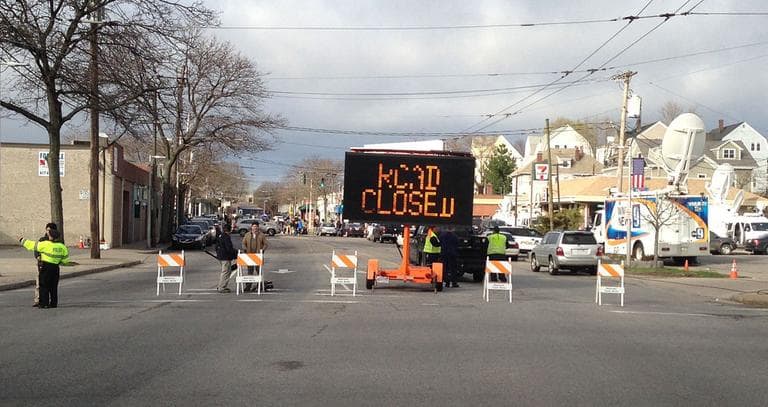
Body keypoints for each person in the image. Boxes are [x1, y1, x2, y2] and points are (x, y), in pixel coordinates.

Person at [20, 228, 69, 308]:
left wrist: (22, 240)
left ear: (50, 236)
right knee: (53, 286)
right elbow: (65, 260)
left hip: (46, 267)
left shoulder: (46, 244)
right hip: (56, 268)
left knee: (44, 285)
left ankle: (44, 303)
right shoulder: (62, 247)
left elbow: (32, 245)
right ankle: (53, 303)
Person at [32, 222, 57, 307]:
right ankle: (38, 300)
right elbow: (36, 249)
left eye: (50, 230)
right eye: (47, 230)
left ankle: (49, 301)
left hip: (52, 265)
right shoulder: (42, 239)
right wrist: (38, 256)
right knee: (39, 283)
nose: (48, 232)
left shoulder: (56, 241)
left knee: (51, 285)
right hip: (42, 263)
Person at [242, 221, 268, 292]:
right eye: (253, 226)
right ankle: (248, 286)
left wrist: (262, 250)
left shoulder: (261, 235)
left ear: (258, 227)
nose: (255, 228)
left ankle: (260, 285)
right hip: (249, 255)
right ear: (251, 227)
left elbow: (265, 244)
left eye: (256, 226)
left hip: (258, 255)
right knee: (250, 271)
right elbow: (243, 243)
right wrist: (245, 249)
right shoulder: (247, 235)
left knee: (259, 270)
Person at [215, 223, 237, 293]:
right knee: (226, 272)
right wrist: (236, 253)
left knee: (227, 271)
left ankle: (221, 285)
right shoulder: (226, 237)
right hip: (225, 257)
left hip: (221, 256)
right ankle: (221, 287)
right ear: (229, 230)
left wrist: (218, 254)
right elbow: (229, 248)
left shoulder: (220, 236)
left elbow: (216, 246)